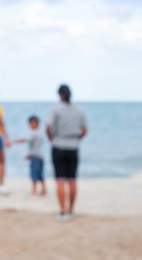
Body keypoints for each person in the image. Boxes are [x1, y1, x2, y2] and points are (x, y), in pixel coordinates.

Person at [47, 84, 87, 220]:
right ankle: (71, 210)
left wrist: (52, 138)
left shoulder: (55, 109)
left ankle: (63, 211)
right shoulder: (79, 110)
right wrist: (76, 139)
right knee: (72, 180)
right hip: (73, 146)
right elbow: (84, 130)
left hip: (58, 145)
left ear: (59, 95)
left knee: (60, 180)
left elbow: (48, 127)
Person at [13, 115, 46, 196]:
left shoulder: (33, 133)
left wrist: (13, 142)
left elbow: (25, 140)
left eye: (31, 123)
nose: (30, 125)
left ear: (36, 123)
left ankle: (34, 190)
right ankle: (43, 189)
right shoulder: (41, 133)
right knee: (40, 174)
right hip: (40, 155)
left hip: (35, 156)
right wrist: (29, 155)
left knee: (34, 174)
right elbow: (36, 146)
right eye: (30, 123)